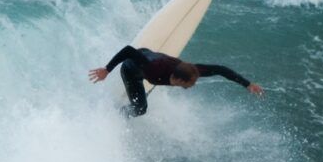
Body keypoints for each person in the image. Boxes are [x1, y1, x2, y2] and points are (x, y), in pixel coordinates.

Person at [89, 45, 264, 116]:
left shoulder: (191, 71)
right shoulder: (155, 68)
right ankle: (118, 114)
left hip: (147, 54)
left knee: (146, 61)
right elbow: (128, 50)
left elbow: (220, 70)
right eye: (186, 85)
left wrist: (247, 84)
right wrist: (107, 69)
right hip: (132, 70)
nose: (189, 88)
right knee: (140, 109)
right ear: (176, 79)